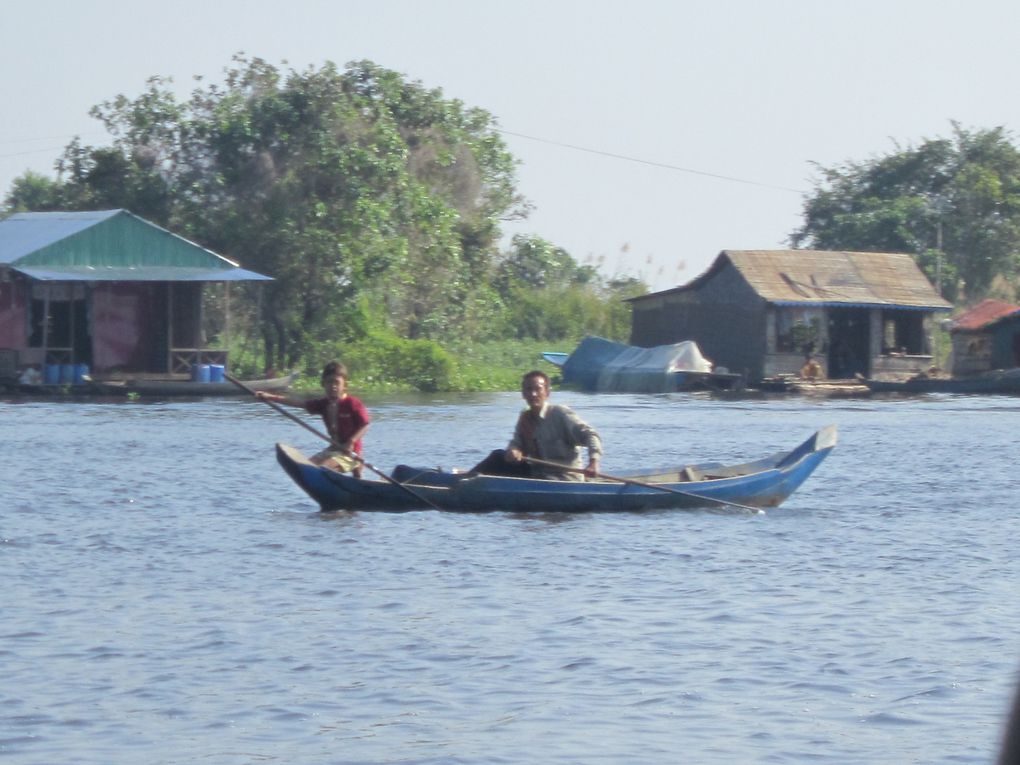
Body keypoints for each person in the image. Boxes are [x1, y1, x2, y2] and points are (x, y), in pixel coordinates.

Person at [471, 369, 602, 481]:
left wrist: (593, 463)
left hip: (563, 478)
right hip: (536, 475)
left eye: (538, 389)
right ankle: (464, 481)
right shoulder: (525, 418)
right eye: (529, 389)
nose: (533, 394)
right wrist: (514, 450)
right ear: (523, 394)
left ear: (547, 393)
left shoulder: (560, 414)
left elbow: (591, 435)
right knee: (498, 456)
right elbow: (516, 443)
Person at [257, 361, 370, 477]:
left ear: (344, 385)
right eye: (329, 382)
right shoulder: (323, 404)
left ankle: (357, 468)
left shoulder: (352, 403)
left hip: (351, 453)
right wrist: (271, 397)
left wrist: (351, 442)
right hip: (334, 449)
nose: (333, 387)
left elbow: (365, 424)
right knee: (306, 467)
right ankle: (356, 476)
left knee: (322, 469)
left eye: (337, 383)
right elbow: (299, 403)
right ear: (323, 384)